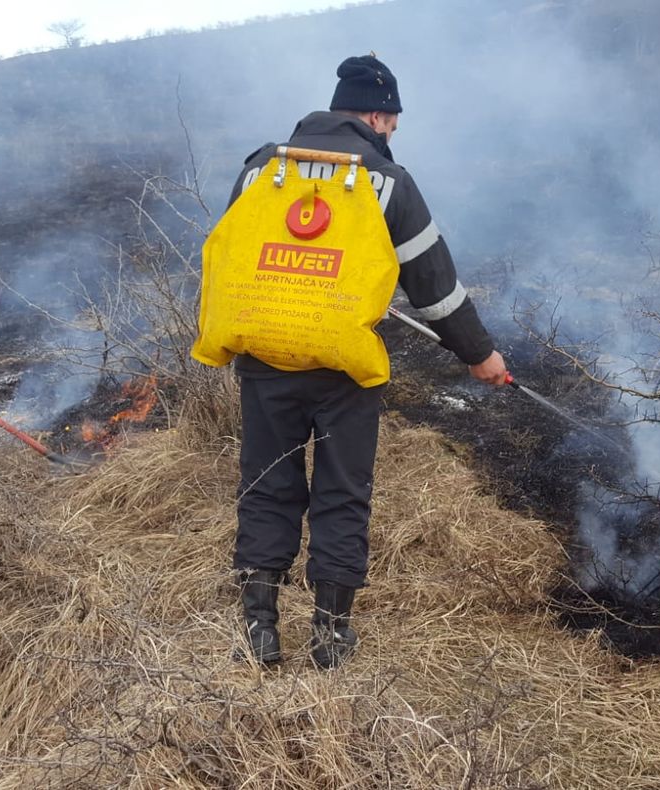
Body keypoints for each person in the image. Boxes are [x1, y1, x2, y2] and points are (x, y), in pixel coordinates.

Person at [202, 54, 509, 669]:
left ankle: (260, 629)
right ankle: (330, 635)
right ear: (376, 117)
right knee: (342, 491)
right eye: (391, 123)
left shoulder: (261, 169)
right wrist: (480, 355)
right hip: (342, 368)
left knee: (266, 485)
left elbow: (234, 253)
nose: (391, 133)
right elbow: (434, 289)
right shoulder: (388, 180)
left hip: (265, 354)